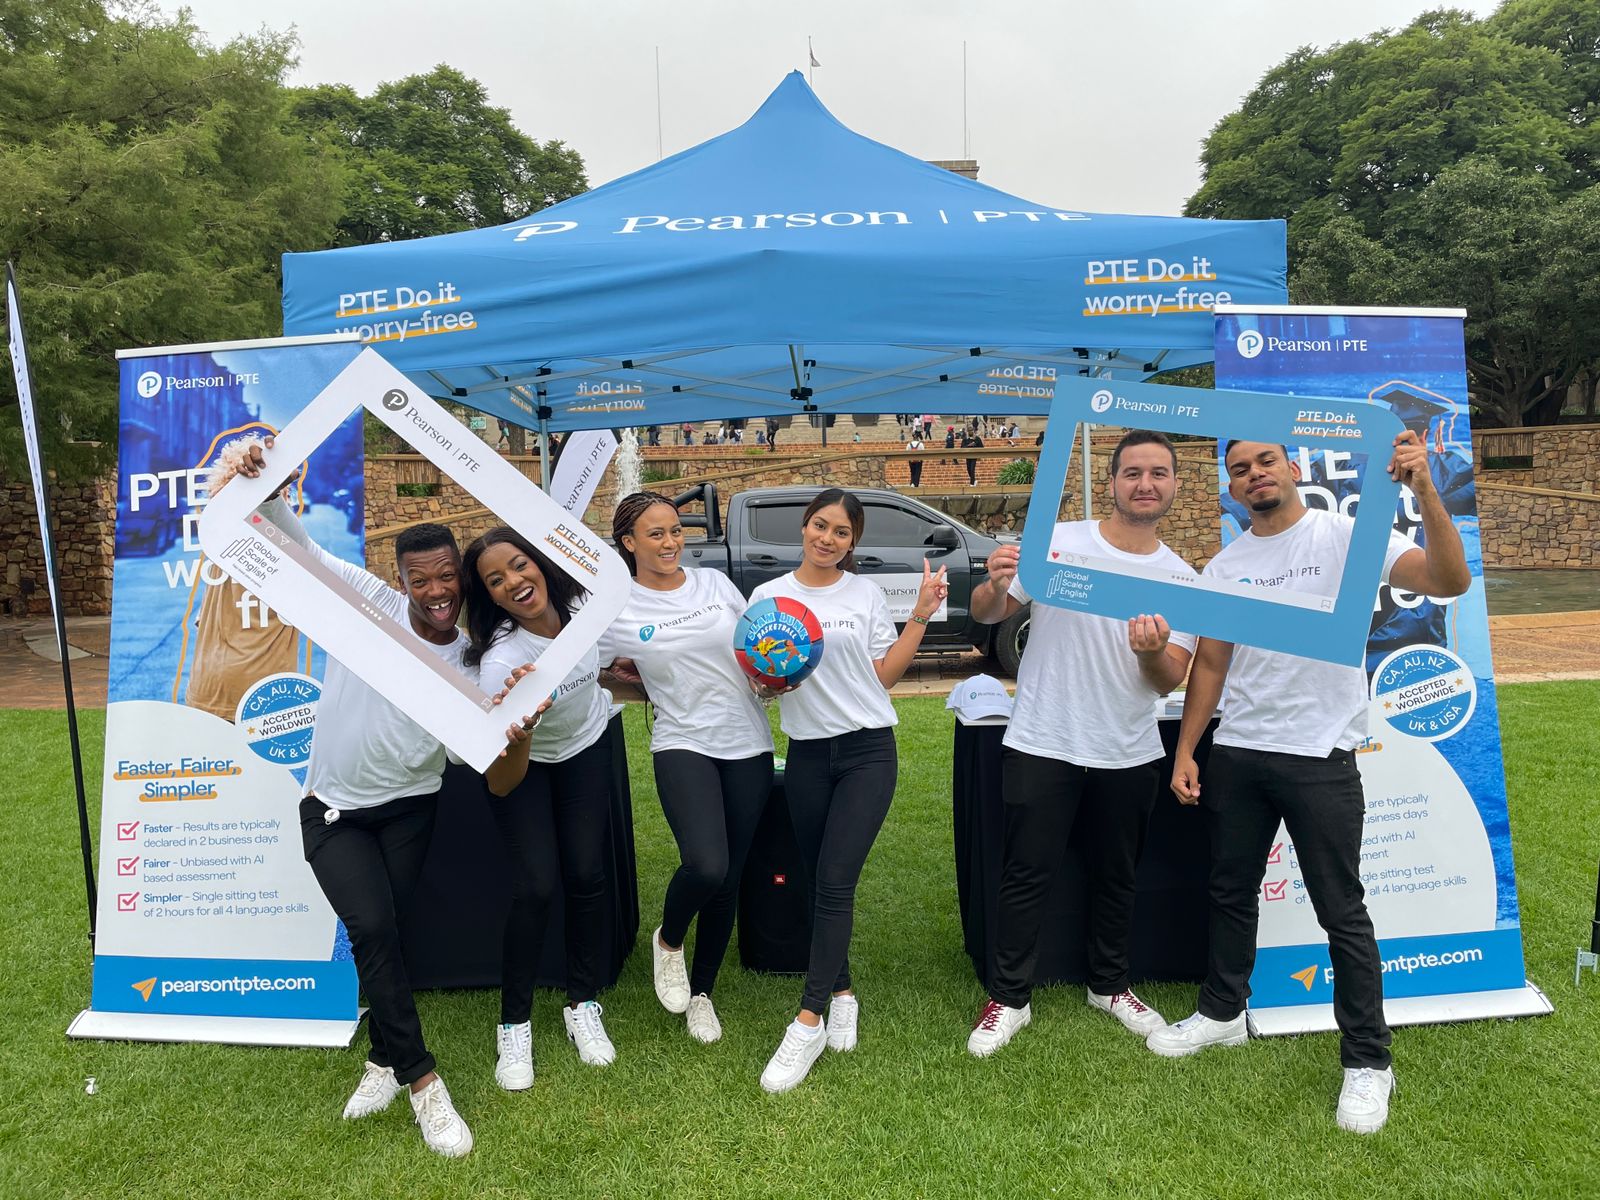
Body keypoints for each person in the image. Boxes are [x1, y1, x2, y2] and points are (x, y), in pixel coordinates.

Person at [1157, 433, 1470, 1136]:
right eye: (1240, 469)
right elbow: (1212, 664)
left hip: (1319, 754)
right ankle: (1222, 1012)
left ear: (1292, 468)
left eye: (1265, 461)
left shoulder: (1347, 537)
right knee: (1229, 891)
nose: (1254, 475)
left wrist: (1425, 490)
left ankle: (1368, 1060)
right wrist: (1188, 750)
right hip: (1240, 750)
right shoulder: (1227, 564)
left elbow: (1449, 581)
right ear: (1231, 488)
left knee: (1341, 911)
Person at [227, 438, 481, 1158]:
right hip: (333, 812)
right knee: (369, 926)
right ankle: (424, 1082)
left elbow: (470, 749)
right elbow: (289, 540)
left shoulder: (471, 658)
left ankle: (380, 1062)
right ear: (399, 579)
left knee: (386, 934)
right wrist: (262, 480)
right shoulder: (364, 601)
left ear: (461, 578)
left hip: (410, 810)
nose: (436, 591)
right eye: (420, 579)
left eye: (447, 577)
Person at [964, 430, 1196, 1058]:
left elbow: (1169, 678)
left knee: (1117, 877)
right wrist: (994, 583)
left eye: (1158, 473)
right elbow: (987, 613)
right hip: (1043, 737)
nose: (1145, 484)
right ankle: (1009, 998)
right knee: (1025, 875)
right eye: (1132, 473)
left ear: (1174, 485)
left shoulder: (1182, 579)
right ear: (1112, 481)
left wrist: (1150, 654)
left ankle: (1110, 986)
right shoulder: (1060, 542)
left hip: (1128, 748)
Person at [749, 488, 948, 1093]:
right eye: (820, 525)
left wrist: (920, 613)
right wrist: (767, 684)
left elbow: (884, 676)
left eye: (841, 532)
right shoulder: (769, 596)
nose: (827, 539)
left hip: (867, 751)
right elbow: (759, 675)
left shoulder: (863, 594)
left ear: (853, 541)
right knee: (816, 879)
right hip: (808, 754)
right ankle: (841, 992)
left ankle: (807, 1022)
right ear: (804, 527)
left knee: (836, 881)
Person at [597, 492, 776, 1044]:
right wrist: (639, 684)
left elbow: (754, 647)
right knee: (706, 864)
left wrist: (771, 676)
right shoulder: (617, 608)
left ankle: (703, 994)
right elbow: (593, 669)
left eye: (676, 530)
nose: (671, 542)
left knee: (730, 877)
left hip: (747, 740)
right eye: (656, 534)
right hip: (682, 740)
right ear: (629, 543)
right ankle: (669, 940)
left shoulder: (714, 585)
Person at [464, 527, 621, 1081]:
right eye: (495, 580)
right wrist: (520, 722)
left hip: (586, 747)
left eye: (518, 565)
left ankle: (582, 1003)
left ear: (539, 562)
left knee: (587, 874)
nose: (513, 582)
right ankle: (514, 1024)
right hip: (526, 766)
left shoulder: (581, 609)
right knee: (535, 886)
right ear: (489, 596)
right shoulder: (502, 662)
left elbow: (596, 671)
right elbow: (500, 779)